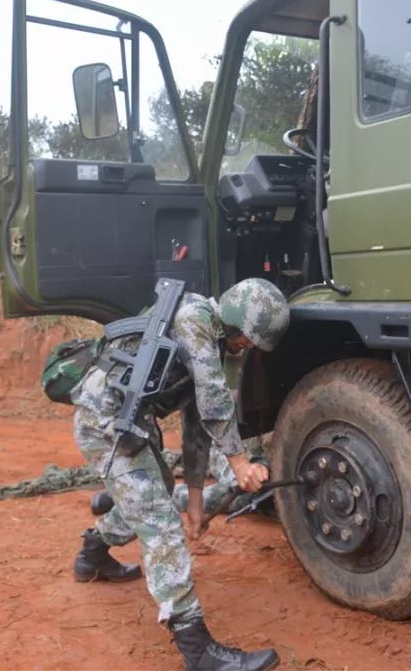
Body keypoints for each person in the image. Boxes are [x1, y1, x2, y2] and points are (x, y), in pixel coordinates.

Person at [69, 278, 289, 671]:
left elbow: (195, 423)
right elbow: (214, 402)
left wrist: (197, 500)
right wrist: (240, 464)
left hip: (128, 418)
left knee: (159, 490)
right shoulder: (194, 321)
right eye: (251, 339)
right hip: (103, 423)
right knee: (160, 524)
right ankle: (198, 650)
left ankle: (93, 553)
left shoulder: (210, 334)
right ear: (239, 323)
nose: (250, 347)